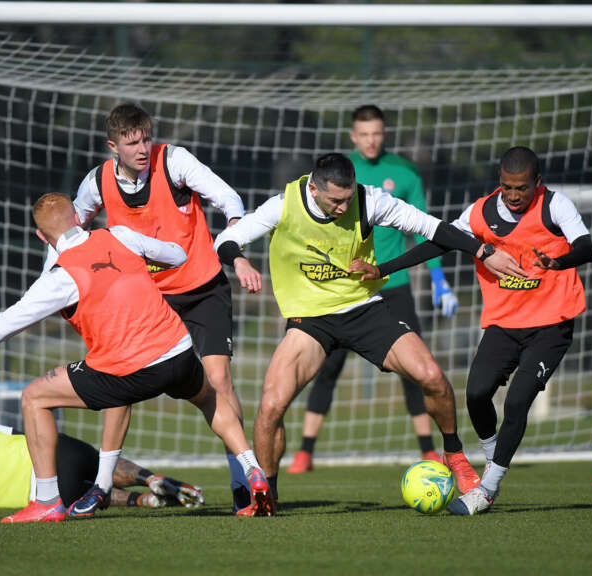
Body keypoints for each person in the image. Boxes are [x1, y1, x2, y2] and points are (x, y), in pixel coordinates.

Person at [0, 193, 268, 523]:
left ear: (41, 237)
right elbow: (177, 254)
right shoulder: (119, 235)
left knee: (34, 397)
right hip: (177, 349)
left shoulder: (59, 278)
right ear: (79, 219)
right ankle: (252, 471)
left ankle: (47, 501)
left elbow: (4, 325)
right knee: (208, 397)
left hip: (130, 371)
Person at [214, 153, 526, 512]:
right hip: (310, 319)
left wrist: (483, 251)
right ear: (313, 188)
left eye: (348, 198)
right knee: (271, 405)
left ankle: (454, 455)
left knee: (432, 377)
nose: (343, 206)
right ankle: (266, 494)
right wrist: (238, 260)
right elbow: (227, 239)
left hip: (363, 309)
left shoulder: (370, 200)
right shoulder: (282, 205)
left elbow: (433, 228)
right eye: (335, 200)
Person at [356, 146, 592, 515]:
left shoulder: (555, 206)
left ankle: (487, 488)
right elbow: (440, 242)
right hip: (503, 324)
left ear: (538, 183)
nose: (514, 196)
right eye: (507, 187)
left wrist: (558, 261)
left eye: (522, 188)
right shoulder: (481, 211)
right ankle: (491, 455)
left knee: (517, 402)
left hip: (551, 324)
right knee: (476, 394)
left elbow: (586, 248)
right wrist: (385, 268)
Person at [51, 103, 251, 510]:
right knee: (118, 375)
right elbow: (69, 229)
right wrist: (60, 278)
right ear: (114, 146)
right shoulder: (97, 182)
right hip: (148, 297)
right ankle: (101, 486)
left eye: (146, 138)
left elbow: (228, 197)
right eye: (132, 142)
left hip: (202, 287)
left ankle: (242, 482)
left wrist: (235, 230)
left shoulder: (174, 161)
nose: (143, 148)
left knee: (218, 381)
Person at [288, 105, 458, 474]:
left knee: (415, 370)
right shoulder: (339, 174)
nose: (370, 140)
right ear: (353, 136)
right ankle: (305, 451)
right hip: (343, 292)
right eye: (364, 134)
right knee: (327, 369)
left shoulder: (405, 173)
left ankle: (429, 449)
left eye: (377, 133)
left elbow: (422, 228)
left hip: (393, 288)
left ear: (385, 133)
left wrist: (440, 280)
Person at [0, 418, 205, 511]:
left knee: (82, 490)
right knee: (97, 464)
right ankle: (149, 477)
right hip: (59, 454)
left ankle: (143, 500)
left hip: (52, 497)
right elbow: (19, 432)